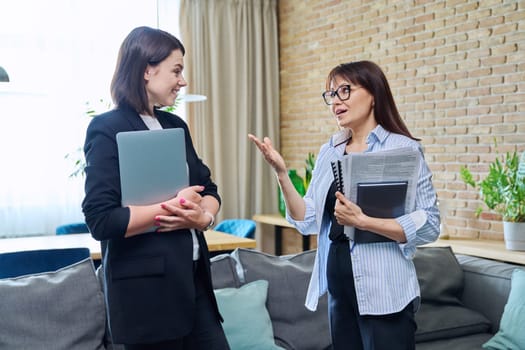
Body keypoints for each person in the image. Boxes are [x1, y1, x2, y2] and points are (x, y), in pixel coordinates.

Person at [249, 60, 440, 350]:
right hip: (339, 289)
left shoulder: (403, 149)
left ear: (374, 93)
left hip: (384, 291)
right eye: (331, 94)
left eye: (345, 91)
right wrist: (281, 173)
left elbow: (431, 224)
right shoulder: (330, 150)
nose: (335, 101)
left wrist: (365, 222)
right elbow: (307, 218)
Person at [82, 26, 230, 350]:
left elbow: (209, 188)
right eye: (176, 70)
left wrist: (203, 218)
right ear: (147, 70)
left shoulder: (175, 125)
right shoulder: (106, 128)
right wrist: (174, 208)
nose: (183, 80)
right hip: (146, 298)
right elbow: (101, 220)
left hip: (195, 286)